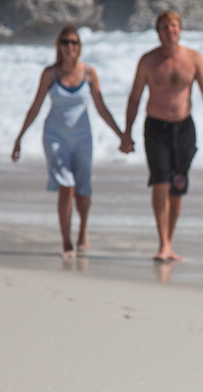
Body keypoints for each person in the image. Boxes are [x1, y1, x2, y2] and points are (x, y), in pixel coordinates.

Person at [12, 26, 126, 259]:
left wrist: (121, 135)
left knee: (83, 191)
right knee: (67, 186)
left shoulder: (89, 73)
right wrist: (19, 137)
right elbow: (35, 107)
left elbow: (101, 107)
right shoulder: (49, 74)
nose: (70, 46)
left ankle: (83, 228)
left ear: (79, 46)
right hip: (55, 137)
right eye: (65, 42)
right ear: (58, 46)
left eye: (74, 42)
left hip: (83, 138)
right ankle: (66, 242)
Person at [120, 10, 203, 263]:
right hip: (156, 128)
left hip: (184, 128)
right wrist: (126, 133)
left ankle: (170, 243)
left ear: (180, 29)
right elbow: (134, 97)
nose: (169, 31)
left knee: (177, 187)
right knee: (161, 182)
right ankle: (163, 243)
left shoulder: (193, 58)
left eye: (173, 26)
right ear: (158, 31)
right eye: (164, 27)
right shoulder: (148, 61)